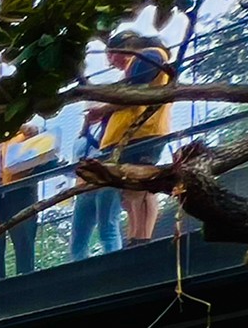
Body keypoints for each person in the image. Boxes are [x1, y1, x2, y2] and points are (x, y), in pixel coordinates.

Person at [102, 30, 175, 244]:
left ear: (124, 46)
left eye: (111, 56)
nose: (112, 63)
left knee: (139, 185)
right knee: (133, 188)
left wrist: (104, 108)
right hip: (132, 135)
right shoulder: (141, 62)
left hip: (142, 133)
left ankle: (140, 237)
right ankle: (136, 236)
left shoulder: (150, 56)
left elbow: (135, 91)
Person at [0, 119, 56, 280]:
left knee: (23, 239)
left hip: (19, 191)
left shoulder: (23, 131)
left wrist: (18, 127)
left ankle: (26, 281)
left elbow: (39, 140)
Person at [69, 120, 123, 260]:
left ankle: (113, 263)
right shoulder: (82, 136)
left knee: (107, 228)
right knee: (78, 237)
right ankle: (79, 270)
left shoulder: (113, 125)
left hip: (106, 183)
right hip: (84, 188)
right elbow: (76, 163)